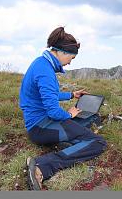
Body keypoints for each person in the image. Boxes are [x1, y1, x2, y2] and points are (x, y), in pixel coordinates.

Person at [19, 27, 107, 190]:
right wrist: (68, 114)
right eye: (71, 58)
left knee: (86, 120)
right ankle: (41, 166)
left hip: (38, 124)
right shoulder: (45, 71)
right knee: (98, 142)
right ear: (62, 52)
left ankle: (71, 144)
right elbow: (53, 111)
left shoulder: (40, 63)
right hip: (41, 127)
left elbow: (47, 94)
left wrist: (72, 95)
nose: (70, 62)